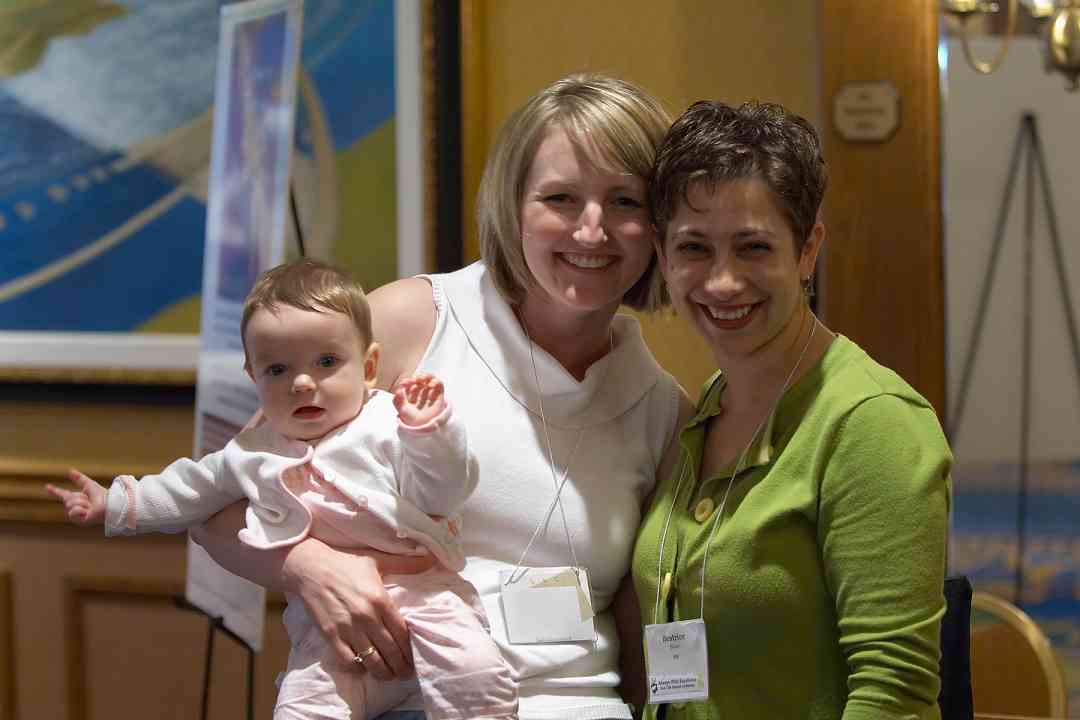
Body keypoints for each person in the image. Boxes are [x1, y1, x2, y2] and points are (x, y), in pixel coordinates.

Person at [190, 73, 695, 720]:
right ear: (513, 206)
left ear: (659, 227)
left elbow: (640, 637)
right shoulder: (412, 323)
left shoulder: (662, 409)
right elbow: (218, 505)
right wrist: (307, 564)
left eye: (626, 201)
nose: (592, 231)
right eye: (561, 198)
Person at [46, 259, 518, 720]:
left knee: (474, 673)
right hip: (332, 632)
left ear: (369, 365)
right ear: (253, 376)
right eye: (278, 370)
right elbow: (188, 489)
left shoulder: (388, 424)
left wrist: (429, 432)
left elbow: (445, 491)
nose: (303, 383)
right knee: (303, 703)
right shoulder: (251, 451)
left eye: (327, 362)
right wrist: (115, 503)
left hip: (427, 595)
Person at [631, 99, 952, 719]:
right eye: (694, 248)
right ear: (662, 254)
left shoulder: (873, 422)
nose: (722, 282)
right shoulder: (709, 405)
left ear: (808, 251)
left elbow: (894, 697)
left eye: (753, 247)